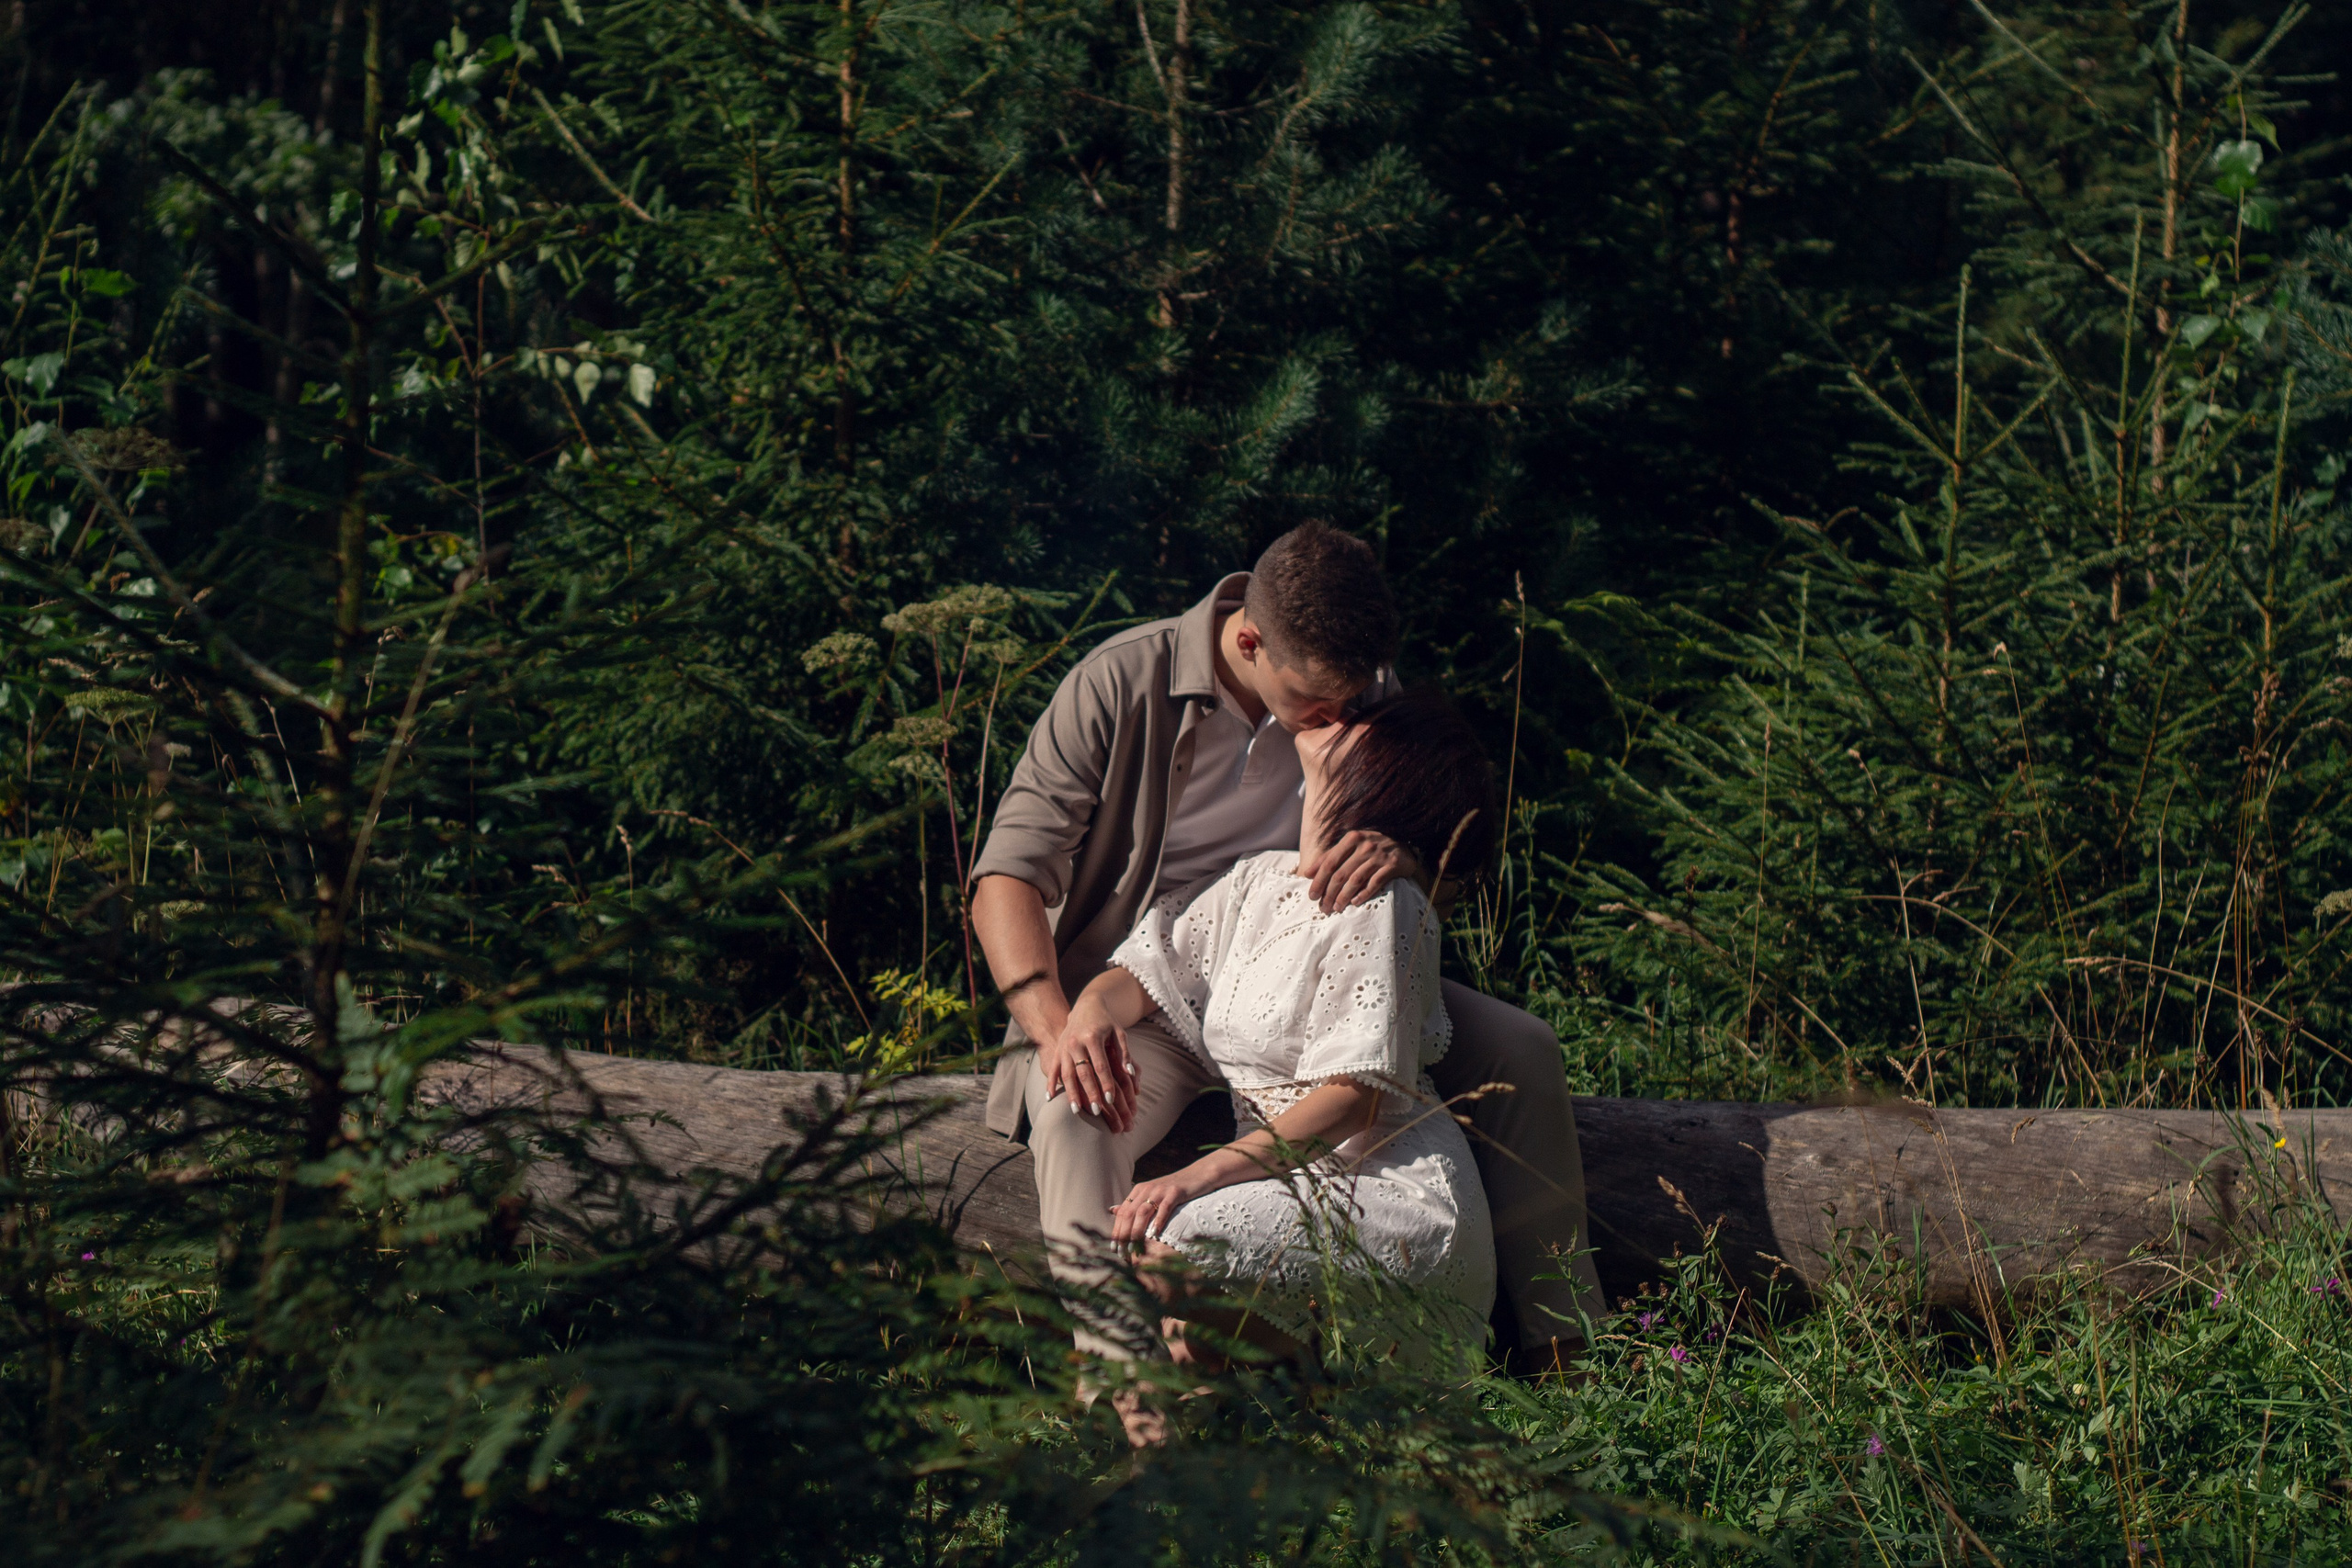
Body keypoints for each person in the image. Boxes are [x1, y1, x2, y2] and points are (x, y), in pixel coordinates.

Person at [969, 521, 1605, 1371]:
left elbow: (1448, 853)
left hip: (1306, 976)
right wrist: (1060, 1029)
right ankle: (1118, 1377)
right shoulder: (1119, 681)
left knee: (1522, 1045)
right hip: (1151, 992)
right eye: (1317, 701)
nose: (1340, 716)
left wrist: (1407, 854)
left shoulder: (1354, 686)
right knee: (1071, 1111)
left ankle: (1570, 1344)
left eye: (1354, 699)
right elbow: (1004, 878)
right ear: (1249, 642)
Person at [1075, 690, 1499, 1375]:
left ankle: (1301, 1361)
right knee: (1180, 1326)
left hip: (1390, 1190)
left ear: (1381, 775)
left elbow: (1357, 1100)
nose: (1335, 716)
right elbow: (1140, 973)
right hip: (1291, 1180)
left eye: (1357, 725)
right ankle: (1284, 1370)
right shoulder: (1255, 881)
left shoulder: (1387, 902)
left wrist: (1194, 1176)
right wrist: (1090, 1010)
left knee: (1166, 1254)